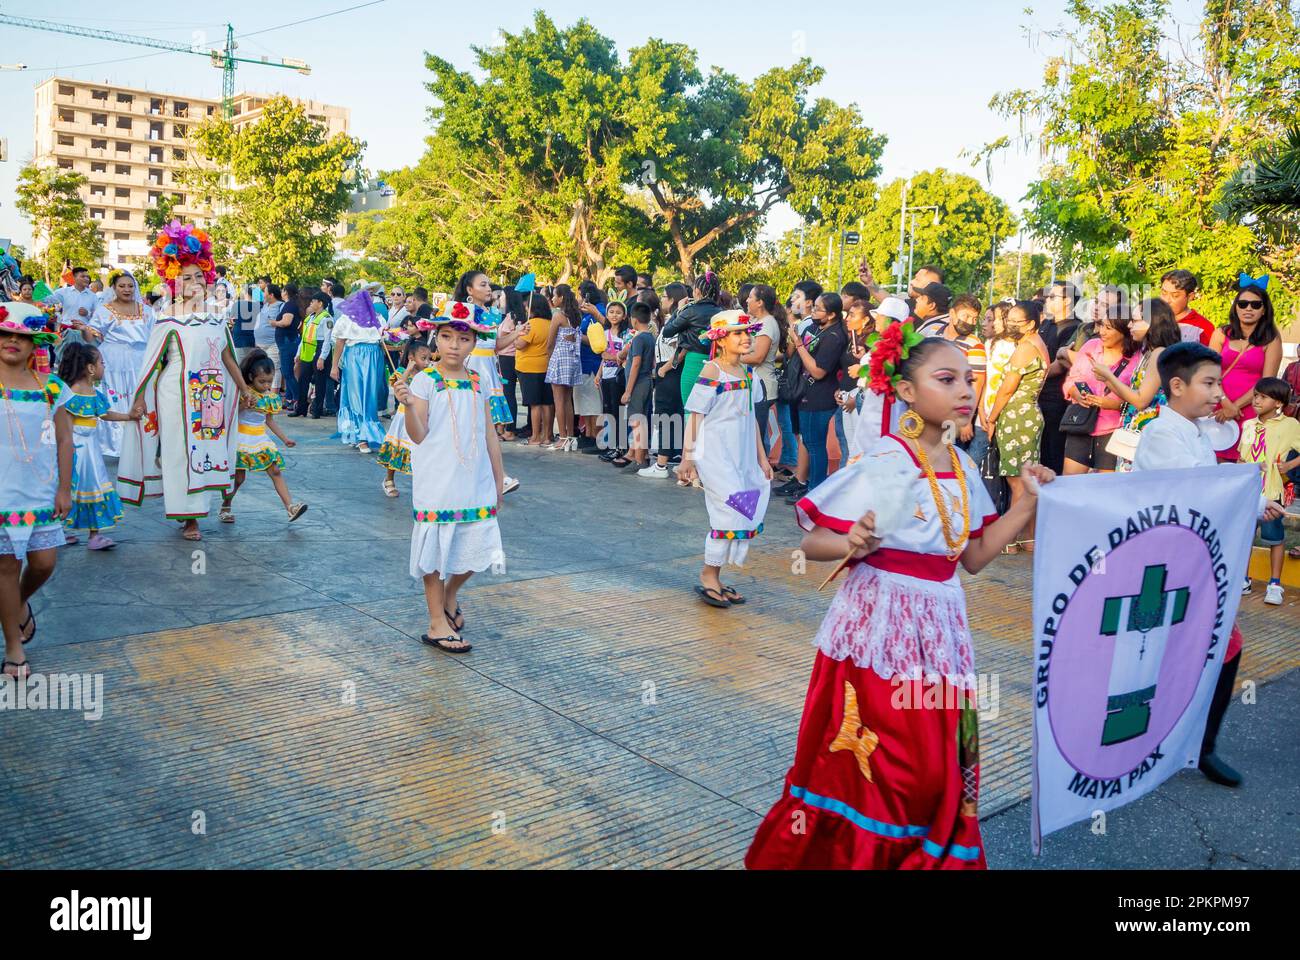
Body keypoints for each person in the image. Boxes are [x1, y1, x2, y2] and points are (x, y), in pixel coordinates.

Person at [746, 333, 1055, 869]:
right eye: (947, 379)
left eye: (969, 380)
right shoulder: (884, 463)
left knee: (936, 764)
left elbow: (976, 556)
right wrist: (851, 543)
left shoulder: (962, 467)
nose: (965, 391)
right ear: (906, 391)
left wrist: (1026, 504)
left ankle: (920, 850)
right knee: (885, 763)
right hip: (878, 630)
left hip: (941, 630)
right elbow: (811, 543)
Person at [1133, 342, 1285, 788]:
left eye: (1219, 382)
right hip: (1167, 566)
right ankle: (1171, 743)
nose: (1221, 392)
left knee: (1220, 646)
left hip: (1194, 563)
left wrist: (1259, 504)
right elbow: (1198, 494)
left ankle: (1197, 744)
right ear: (1176, 386)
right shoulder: (1163, 435)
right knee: (1166, 656)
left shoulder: (1194, 430)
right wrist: (1255, 503)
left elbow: (1215, 486)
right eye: (1210, 383)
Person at [120, 225, 255, 543]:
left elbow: (228, 358)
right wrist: (140, 399)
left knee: (206, 450)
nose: (195, 283)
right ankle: (188, 518)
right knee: (180, 452)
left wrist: (245, 389)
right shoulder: (167, 318)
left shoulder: (217, 318)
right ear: (173, 282)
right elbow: (151, 362)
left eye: (199, 276)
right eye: (187, 277)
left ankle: (200, 509)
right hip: (175, 396)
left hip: (211, 395)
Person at [394, 311, 506, 655]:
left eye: (463, 339)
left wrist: (499, 478)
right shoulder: (425, 380)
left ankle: (450, 595)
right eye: (446, 337)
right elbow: (419, 434)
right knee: (436, 554)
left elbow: (489, 431)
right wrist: (409, 405)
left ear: (474, 342)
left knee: (480, 547)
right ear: (436, 339)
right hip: (438, 478)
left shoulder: (477, 380)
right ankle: (435, 623)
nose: (454, 346)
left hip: (475, 478)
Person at [677, 311, 772, 608]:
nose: (746, 338)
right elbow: (696, 416)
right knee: (728, 514)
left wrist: (762, 458)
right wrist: (687, 459)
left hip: (741, 456)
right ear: (720, 339)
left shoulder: (748, 373)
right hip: (715, 454)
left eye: (748, 332)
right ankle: (708, 574)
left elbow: (752, 419)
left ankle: (716, 576)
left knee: (744, 512)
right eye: (737, 333)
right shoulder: (712, 372)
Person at [0, 304, 73, 677]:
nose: (12, 341)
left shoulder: (52, 388)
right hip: (1, 494)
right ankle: (14, 649)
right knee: (6, 567)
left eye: (22, 336)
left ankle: (17, 605)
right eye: (5, 334)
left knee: (44, 564)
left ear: (35, 345)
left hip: (40, 492)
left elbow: (64, 441)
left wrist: (64, 488)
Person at [448, 272, 523, 494]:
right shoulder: (463, 313)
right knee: (471, 425)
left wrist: (517, 332)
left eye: (489, 284)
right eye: (483, 284)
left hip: (489, 371)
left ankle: (496, 477)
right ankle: (496, 477)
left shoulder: (492, 314)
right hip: (471, 369)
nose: (489, 288)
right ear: (470, 290)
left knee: (482, 426)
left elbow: (496, 346)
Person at [57, 343, 137, 550]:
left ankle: (93, 535)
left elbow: (105, 413)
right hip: (76, 451)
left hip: (92, 452)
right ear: (91, 368)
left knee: (94, 488)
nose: (104, 366)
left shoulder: (93, 393)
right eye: (102, 362)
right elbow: (62, 423)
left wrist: (128, 416)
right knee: (73, 488)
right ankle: (61, 530)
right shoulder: (70, 393)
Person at [984, 300, 1048, 553]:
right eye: (1008, 319)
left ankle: (1010, 540)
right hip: (1026, 416)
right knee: (1025, 481)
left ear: (1031, 324)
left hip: (1017, 419)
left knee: (1018, 483)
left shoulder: (1025, 348)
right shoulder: (1037, 344)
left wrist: (991, 418)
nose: (1009, 324)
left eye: (1015, 320)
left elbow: (1007, 389)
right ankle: (1028, 538)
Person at [218, 349, 308, 524]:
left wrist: (284, 439)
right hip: (241, 438)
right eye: (262, 381)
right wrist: (243, 405)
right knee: (239, 478)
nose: (267, 385)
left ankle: (290, 507)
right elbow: (230, 415)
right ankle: (226, 505)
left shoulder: (270, 398)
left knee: (275, 470)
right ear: (251, 377)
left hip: (260, 439)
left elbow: (269, 421)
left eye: (269, 381)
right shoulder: (242, 392)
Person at [1094, 297, 1180, 472]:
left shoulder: (1159, 353)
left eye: (1136, 320)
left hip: (1148, 434)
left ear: (1152, 322)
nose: (1130, 325)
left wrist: (1109, 375)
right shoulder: (1148, 352)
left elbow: (1141, 400)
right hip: (1137, 431)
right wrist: (1109, 380)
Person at [1238, 377, 1300, 605]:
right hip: (1248, 492)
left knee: (1275, 538)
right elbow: (1242, 455)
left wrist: (1289, 466)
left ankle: (1275, 584)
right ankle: (1242, 579)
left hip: (1272, 492)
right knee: (1244, 536)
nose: (1256, 400)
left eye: (1263, 397)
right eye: (1255, 395)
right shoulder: (1248, 425)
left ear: (1278, 403)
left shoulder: (1291, 426)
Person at [1208, 278, 1283, 462]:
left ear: (1264, 309)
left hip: (1250, 411)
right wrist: (1225, 403)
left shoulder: (1271, 339)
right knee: (1212, 463)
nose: (1248, 309)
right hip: (1218, 407)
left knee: (1244, 465)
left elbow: (1267, 382)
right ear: (1236, 308)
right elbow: (1208, 372)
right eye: (1243, 304)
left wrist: (1236, 407)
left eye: (1255, 305)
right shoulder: (1220, 334)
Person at [1063, 305, 1142, 474]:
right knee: (1071, 486)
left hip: (1114, 431)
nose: (1102, 332)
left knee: (1106, 490)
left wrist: (1114, 405)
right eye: (1101, 325)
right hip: (1081, 425)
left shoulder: (1138, 358)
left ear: (1124, 330)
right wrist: (1076, 393)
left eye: (1109, 328)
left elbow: (1140, 400)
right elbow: (1071, 380)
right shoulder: (1091, 346)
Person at [87, 269, 155, 458]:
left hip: (141, 359)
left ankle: (139, 441)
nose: (127, 289)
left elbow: (155, 335)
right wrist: (84, 330)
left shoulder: (147, 311)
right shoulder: (104, 310)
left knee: (139, 395)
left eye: (130, 286)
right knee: (116, 398)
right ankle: (114, 443)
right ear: (114, 288)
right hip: (112, 360)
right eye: (122, 286)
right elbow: (91, 333)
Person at [791, 293, 850, 495]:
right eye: (814, 307)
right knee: (809, 441)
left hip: (820, 397)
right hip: (807, 395)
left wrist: (798, 344)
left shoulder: (834, 336)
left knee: (815, 444)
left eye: (818, 309)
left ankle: (816, 489)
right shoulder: (819, 328)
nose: (813, 311)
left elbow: (818, 371)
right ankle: (811, 486)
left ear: (832, 314)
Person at [639, 282, 691, 480]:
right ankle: (672, 456)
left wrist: (665, 368)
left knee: (665, 415)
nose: (661, 300)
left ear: (672, 299)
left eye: (664, 296)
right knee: (671, 415)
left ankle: (661, 464)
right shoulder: (674, 318)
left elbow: (683, 347)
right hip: (667, 370)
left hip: (669, 371)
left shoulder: (679, 320)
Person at [331, 289, 388, 455]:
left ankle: (361, 433)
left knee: (370, 395)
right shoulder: (347, 319)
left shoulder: (377, 318)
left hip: (374, 357)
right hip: (355, 357)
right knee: (356, 395)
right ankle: (361, 436)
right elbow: (340, 343)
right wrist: (335, 366)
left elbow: (384, 340)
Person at [378, 336, 434, 497]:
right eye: (423, 358)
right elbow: (398, 387)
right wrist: (408, 370)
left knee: (420, 450)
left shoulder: (428, 375)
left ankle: (424, 483)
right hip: (403, 417)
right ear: (411, 358)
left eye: (429, 358)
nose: (427, 362)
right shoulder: (402, 372)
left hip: (420, 417)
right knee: (397, 446)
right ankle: (389, 480)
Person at [661, 272, 725, 409]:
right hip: (716, 363)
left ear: (696, 291)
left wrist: (679, 310)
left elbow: (667, 331)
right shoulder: (722, 312)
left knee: (690, 410)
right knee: (711, 410)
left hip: (693, 363)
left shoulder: (690, 311)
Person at [1037, 281, 1083, 473]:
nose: (1047, 300)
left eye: (1052, 296)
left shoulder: (1076, 328)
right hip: (1037, 397)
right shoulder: (1046, 324)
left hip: (1057, 402)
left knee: (1052, 458)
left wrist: (1032, 374)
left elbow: (1062, 363)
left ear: (1067, 301)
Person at [742, 284, 786, 460]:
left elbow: (758, 357)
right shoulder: (757, 322)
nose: (747, 300)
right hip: (755, 383)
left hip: (762, 385)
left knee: (756, 436)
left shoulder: (767, 324)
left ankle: (759, 475)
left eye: (751, 297)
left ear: (760, 302)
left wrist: (732, 358)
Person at [944, 294, 988, 465]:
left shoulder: (975, 345)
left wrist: (966, 420)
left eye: (974, 318)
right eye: (966, 316)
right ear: (952, 314)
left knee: (945, 458)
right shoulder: (935, 335)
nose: (970, 322)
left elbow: (977, 385)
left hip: (953, 415)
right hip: (932, 410)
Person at [619, 302, 656, 470]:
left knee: (636, 421)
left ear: (634, 320)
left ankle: (639, 460)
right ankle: (642, 457)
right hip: (647, 381)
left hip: (638, 384)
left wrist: (628, 391)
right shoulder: (650, 337)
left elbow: (635, 364)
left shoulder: (639, 339)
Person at [293, 291, 335, 419]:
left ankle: (317, 410)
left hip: (319, 351)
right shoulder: (311, 317)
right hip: (307, 353)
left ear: (320, 303)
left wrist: (322, 358)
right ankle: (301, 409)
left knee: (319, 383)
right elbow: (304, 337)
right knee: (303, 381)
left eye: (313, 301)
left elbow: (328, 340)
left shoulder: (327, 318)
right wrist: (298, 353)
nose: (311, 303)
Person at [598, 300, 631, 463]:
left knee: (619, 413)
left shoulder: (627, 334)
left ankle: (620, 447)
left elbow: (624, 356)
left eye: (618, 312)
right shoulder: (604, 333)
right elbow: (602, 358)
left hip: (620, 377)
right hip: (606, 376)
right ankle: (613, 446)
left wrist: (610, 356)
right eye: (611, 312)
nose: (614, 315)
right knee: (609, 412)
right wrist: (598, 375)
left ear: (624, 315)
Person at [43, 266, 99, 357]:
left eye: (87, 277)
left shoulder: (93, 296)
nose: (86, 279)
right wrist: (33, 290)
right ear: (74, 278)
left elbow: (98, 316)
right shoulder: (64, 292)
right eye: (83, 276)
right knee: (65, 361)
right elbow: (47, 299)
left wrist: (87, 313)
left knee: (82, 363)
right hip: (67, 333)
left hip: (84, 335)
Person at [1160, 269, 1213, 345]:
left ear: (1190, 296)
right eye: (1164, 293)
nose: (1167, 300)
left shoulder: (1203, 328)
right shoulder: (1151, 320)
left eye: (1175, 296)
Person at [275, 282, 303, 407]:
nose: (281, 292)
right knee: (286, 371)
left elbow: (286, 322)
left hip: (288, 341)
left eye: (282, 290)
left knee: (287, 372)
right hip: (286, 341)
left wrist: (273, 322)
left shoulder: (290, 305)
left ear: (286, 292)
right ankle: (289, 398)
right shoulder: (289, 305)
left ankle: (298, 398)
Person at [252, 282, 284, 391]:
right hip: (260, 343)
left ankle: (274, 395)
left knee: (274, 368)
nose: (263, 294)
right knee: (262, 369)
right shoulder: (265, 305)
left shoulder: (281, 305)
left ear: (271, 295)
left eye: (265, 291)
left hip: (273, 343)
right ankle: (264, 392)